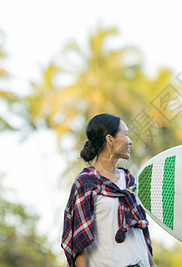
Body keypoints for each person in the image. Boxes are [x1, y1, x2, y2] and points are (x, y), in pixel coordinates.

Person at [61, 113, 156, 267]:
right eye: (125, 134)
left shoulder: (129, 180)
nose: (129, 141)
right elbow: (79, 245)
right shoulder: (85, 183)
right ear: (110, 139)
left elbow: (141, 231)